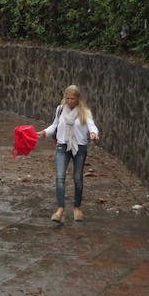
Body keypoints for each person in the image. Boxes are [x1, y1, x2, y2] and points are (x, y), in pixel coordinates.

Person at [38, 84, 99, 223]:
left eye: (73, 99)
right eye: (68, 98)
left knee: (77, 177)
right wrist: (44, 132)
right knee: (60, 177)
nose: (70, 101)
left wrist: (94, 133)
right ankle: (60, 209)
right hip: (62, 145)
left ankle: (77, 208)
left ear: (78, 99)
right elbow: (54, 125)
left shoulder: (85, 112)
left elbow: (91, 125)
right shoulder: (60, 110)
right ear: (64, 97)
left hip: (80, 146)